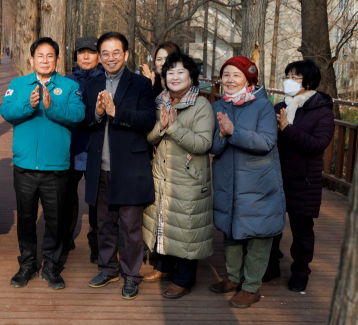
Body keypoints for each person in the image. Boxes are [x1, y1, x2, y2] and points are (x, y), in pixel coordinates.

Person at [0, 37, 85, 290]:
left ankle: (51, 265)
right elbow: (7, 112)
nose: (45, 60)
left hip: (57, 168)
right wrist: (30, 104)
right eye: (40, 56)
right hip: (25, 166)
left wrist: (51, 106)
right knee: (26, 219)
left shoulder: (70, 86)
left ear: (57, 60)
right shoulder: (18, 84)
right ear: (31, 59)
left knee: (56, 220)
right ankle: (27, 264)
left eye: (50, 56)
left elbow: (78, 115)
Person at [83, 32, 157, 300]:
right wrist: (98, 113)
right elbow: (84, 122)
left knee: (130, 226)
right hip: (100, 166)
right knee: (103, 222)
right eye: (105, 53)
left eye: (116, 52)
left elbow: (148, 119)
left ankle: (131, 274)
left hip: (130, 167)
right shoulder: (92, 85)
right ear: (99, 57)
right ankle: (108, 268)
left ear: (126, 54)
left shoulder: (140, 84)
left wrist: (117, 114)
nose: (110, 58)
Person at [209, 56, 286, 308]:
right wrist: (222, 135)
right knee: (230, 231)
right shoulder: (217, 106)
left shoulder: (262, 106)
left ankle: (251, 286)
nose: (230, 80)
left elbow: (266, 142)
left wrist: (233, 132)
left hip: (258, 181)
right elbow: (214, 146)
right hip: (227, 180)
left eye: (236, 75)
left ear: (248, 79)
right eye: (226, 75)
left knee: (258, 235)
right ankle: (233, 278)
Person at [143, 52, 215, 299]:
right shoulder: (160, 102)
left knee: (185, 228)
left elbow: (203, 144)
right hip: (162, 174)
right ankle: (163, 268)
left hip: (188, 178)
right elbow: (150, 137)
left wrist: (173, 127)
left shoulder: (202, 105)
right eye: (170, 72)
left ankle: (184, 279)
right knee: (164, 222)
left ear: (192, 76)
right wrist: (161, 127)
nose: (174, 77)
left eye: (180, 72)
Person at [263, 60, 334, 292]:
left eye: (295, 77)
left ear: (309, 82)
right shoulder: (279, 106)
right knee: (271, 227)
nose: (288, 81)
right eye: (288, 76)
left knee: (302, 232)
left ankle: (300, 272)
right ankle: (270, 266)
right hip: (276, 177)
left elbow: (318, 144)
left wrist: (288, 128)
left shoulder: (321, 110)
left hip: (304, 182)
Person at [64, 35, 103, 263]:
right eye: (81, 52)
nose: (86, 56)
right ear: (76, 56)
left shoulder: (106, 80)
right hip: (70, 147)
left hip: (96, 148)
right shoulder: (67, 81)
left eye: (90, 52)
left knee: (97, 199)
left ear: (98, 55)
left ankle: (97, 243)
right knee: (67, 196)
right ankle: (65, 237)